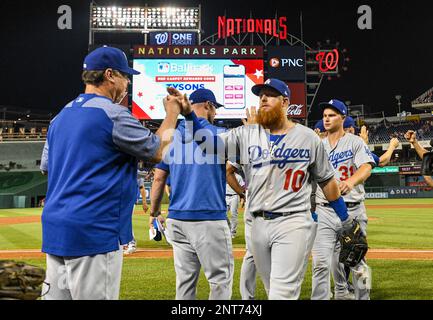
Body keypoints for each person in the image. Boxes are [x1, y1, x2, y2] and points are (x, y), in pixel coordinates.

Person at [168, 79, 355, 300]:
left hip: (292, 221)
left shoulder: (308, 137)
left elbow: (327, 182)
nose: (263, 98)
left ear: (285, 101)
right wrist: (189, 115)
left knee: (282, 294)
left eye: (270, 94)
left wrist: (345, 221)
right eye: (261, 95)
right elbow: (210, 145)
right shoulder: (245, 134)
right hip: (256, 225)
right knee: (271, 290)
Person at [39, 46, 189, 300]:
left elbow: (46, 168)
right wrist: (172, 113)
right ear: (109, 75)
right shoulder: (113, 114)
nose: (127, 82)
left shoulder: (60, 117)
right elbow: (158, 152)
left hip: (55, 230)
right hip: (94, 231)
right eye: (124, 75)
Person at [149, 88, 234, 300]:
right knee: (220, 282)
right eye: (215, 108)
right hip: (209, 217)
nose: (215, 113)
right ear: (208, 105)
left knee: (185, 284)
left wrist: (154, 212)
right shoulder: (218, 134)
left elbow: (159, 178)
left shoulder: (171, 137)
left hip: (177, 219)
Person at [311, 99, 375, 300]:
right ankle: (336, 294)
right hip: (325, 210)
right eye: (324, 116)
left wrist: (351, 181)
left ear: (343, 117)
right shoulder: (317, 145)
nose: (327, 119)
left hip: (353, 209)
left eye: (332, 115)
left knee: (357, 260)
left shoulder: (355, 142)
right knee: (321, 262)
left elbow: (367, 166)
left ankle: (363, 297)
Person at [226, 161, 256, 300]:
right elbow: (228, 170)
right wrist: (243, 194)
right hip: (253, 201)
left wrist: (242, 194)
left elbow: (229, 170)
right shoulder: (247, 142)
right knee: (251, 254)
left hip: (247, 199)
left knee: (251, 254)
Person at [225, 165, 245, 238]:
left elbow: (242, 187)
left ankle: (232, 233)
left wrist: (242, 197)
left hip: (234, 196)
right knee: (223, 214)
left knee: (234, 215)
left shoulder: (238, 177)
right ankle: (228, 230)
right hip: (225, 196)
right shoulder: (225, 174)